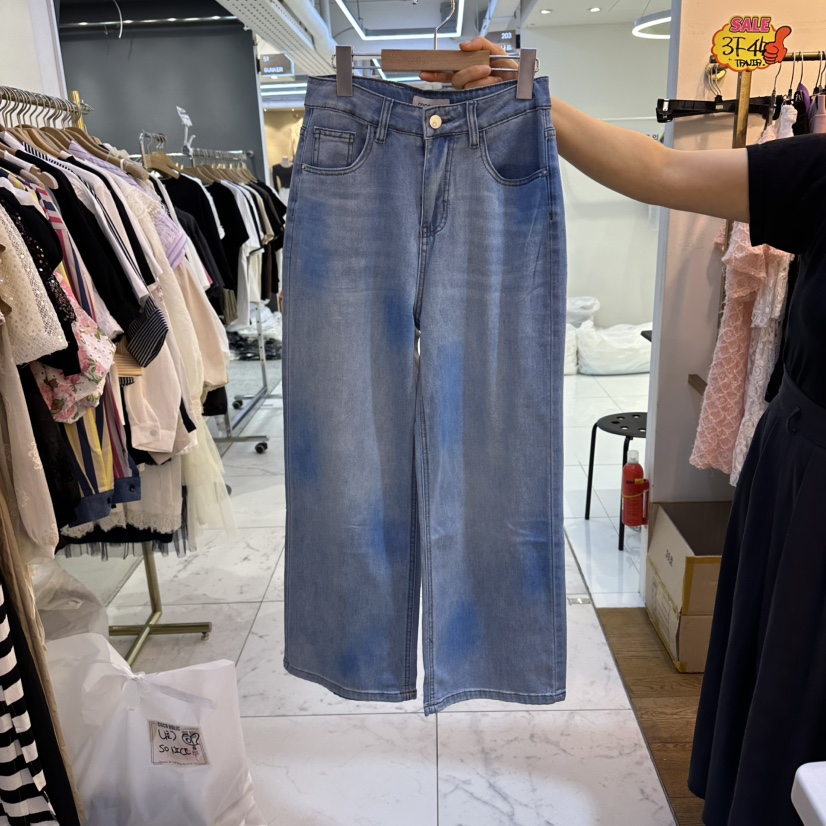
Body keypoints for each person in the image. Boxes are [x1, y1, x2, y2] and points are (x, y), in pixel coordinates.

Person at [424, 37, 826, 826]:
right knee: (789, 694)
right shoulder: (822, 170)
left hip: (804, 468)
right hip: (808, 480)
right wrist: (531, 97)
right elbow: (663, 169)